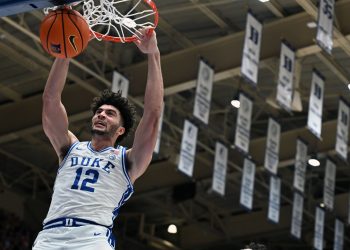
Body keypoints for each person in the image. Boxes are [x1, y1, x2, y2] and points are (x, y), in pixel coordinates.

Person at [32, 27, 163, 250]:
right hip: (49, 237)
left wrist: (154, 54)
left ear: (121, 130)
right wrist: (67, 51)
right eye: (99, 111)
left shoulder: (128, 161)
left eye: (110, 113)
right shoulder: (69, 147)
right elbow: (50, 99)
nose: (101, 114)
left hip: (91, 238)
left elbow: (152, 114)